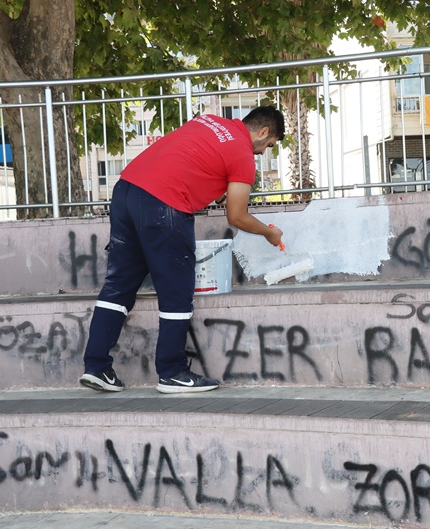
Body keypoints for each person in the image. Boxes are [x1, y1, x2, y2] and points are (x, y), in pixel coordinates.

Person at [79, 105, 285, 394]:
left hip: (126, 190)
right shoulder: (242, 153)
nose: (263, 152)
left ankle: (96, 367)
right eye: (269, 144)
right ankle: (172, 372)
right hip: (164, 203)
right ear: (263, 132)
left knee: (119, 283)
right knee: (176, 289)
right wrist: (269, 233)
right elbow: (236, 215)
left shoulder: (210, 121)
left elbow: (189, 161)